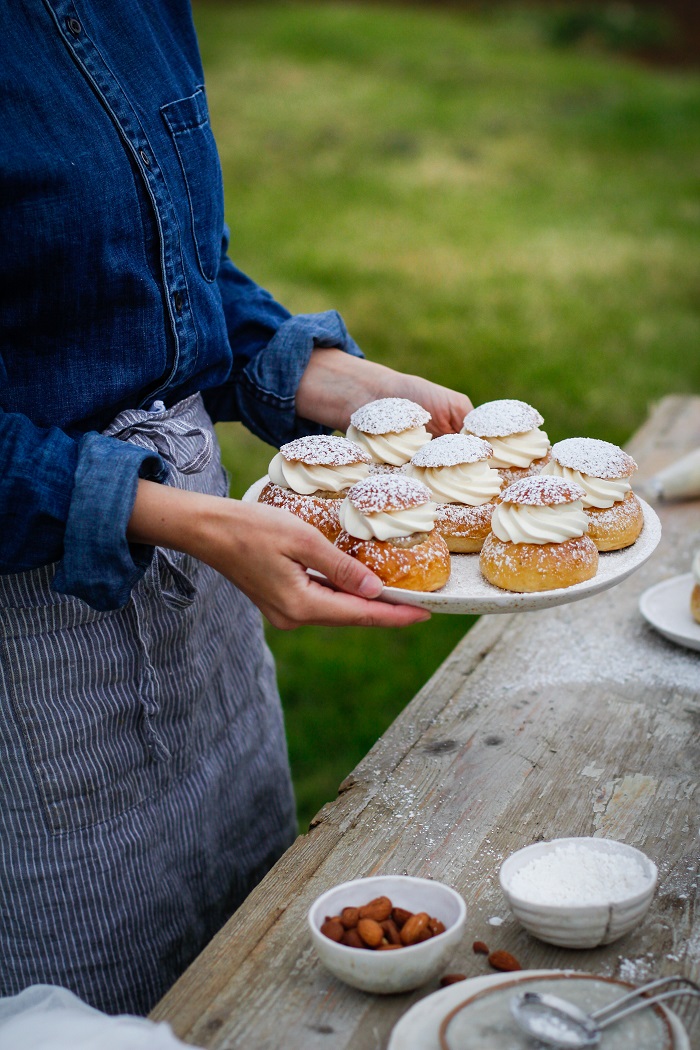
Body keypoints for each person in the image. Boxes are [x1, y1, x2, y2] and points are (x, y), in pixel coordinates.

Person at [0, 0, 472, 1015]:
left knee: (248, 960)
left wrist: (320, 373)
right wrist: (184, 520)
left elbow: (169, 273)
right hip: (31, 639)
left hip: (205, 574)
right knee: (84, 1005)